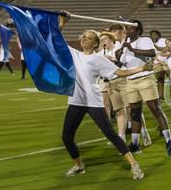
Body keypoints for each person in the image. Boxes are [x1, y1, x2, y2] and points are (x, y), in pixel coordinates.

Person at [62, 29, 145, 180]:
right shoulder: (75, 54)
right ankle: (79, 165)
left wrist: (142, 68)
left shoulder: (98, 60)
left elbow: (120, 73)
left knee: (110, 134)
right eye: (83, 37)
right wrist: (62, 23)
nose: (84, 39)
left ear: (95, 44)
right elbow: (56, 38)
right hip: (76, 101)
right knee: (66, 137)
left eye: (88, 38)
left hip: (93, 101)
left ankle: (134, 164)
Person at [121, 21, 171, 156]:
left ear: (138, 30)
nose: (128, 31)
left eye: (130, 28)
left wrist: (131, 49)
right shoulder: (125, 44)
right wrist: (121, 49)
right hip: (130, 81)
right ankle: (135, 143)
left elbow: (151, 53)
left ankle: (169, 140)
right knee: (134, 113)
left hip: (145, 78)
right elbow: (120, 61)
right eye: (126, 28)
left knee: (155, 109)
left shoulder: (144, 40)